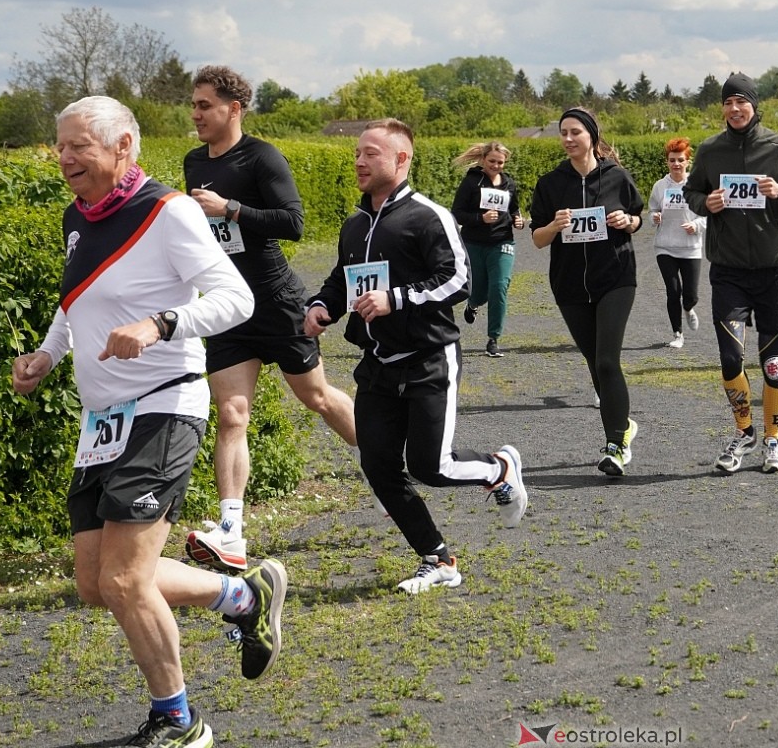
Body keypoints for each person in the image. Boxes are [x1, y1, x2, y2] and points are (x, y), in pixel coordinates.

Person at [11, 96, 286, 748]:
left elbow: (234, 298)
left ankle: (179, 720)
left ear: (124, 146)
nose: (65, 156)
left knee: (127, 578)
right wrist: (50, 353)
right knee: (95, 583)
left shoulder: (169, 212)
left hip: (166, 403)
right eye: (61, 144)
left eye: (79, 145)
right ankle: (242, 599)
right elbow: (76, 297)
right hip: (102, 420)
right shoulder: (78, 217)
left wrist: (161, 324)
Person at [303, 119, 527, 594]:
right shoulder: (355, 224)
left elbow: (458, 281)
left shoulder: (429, 216)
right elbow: (344, 278)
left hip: (430, 359)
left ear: (401, 160)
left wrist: (396, 299)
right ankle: (438, 558)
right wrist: (323, 306)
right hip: (378, 364)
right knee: (379, 466)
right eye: (357, 154)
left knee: (431, 467)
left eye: (371, 154)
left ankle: (498, 469)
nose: (360, 161)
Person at [182, 65, 358, 574]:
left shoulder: (262, 156)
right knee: (233, 415)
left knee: (317, 398)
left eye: (204, 106)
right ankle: (231, 529)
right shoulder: (194, 161)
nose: (196, 114)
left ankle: (387, 466)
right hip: (226, 306)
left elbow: (293, 222)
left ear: (233, 109)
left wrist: (230, 207)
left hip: (275, 301)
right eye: (193, 105)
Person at [683, 73, 778, 475]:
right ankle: (744, 433)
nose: (734, 109)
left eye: (741, 102)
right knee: (730, 359)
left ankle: (773, 442)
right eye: (728, 102)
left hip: (775, 270)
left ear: (755, 106)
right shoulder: (710, 150)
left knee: (772, 364)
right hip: (728, 271)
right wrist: (705, 202)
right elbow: (691, 194)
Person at [530, 108, 644, 476]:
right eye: (562, 133)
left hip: (616, 277)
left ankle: (615, 446)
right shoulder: (550, 184)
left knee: (608, 360)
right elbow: (537, 239)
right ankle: (623, 426)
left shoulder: (616, 176)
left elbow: (636, 218)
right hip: (569, 284)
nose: (567, 139)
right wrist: (554, 225)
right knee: (597, 365)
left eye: (574, 132)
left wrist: (628, 221)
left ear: (591, 136)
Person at [450, 141, 525, 358]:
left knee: (499, 286)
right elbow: (456, 213)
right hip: (473, 244)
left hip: (502, 243)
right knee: (479, 290)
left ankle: (493, 339)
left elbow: (514, 209)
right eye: (492, 161)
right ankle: (472, 304)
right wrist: (480, 218)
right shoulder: (472, 183)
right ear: (483, 160)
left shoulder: (509, 183)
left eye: (500, 162)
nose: (496, 165)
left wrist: (517, 220)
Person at [648, 137, 706, 349]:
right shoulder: (660, 186)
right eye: (672, 160)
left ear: (687, 162)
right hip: (665, 246)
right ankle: (678, 334)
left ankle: (689, 308)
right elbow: (652, 210)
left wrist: (696, 225)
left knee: (690, 295)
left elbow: (707, 214)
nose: (676, 164)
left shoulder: (697, 186)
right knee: (673, 290)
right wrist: (654, 217)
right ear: (667, 162)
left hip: (690, 248)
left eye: (680, 160)